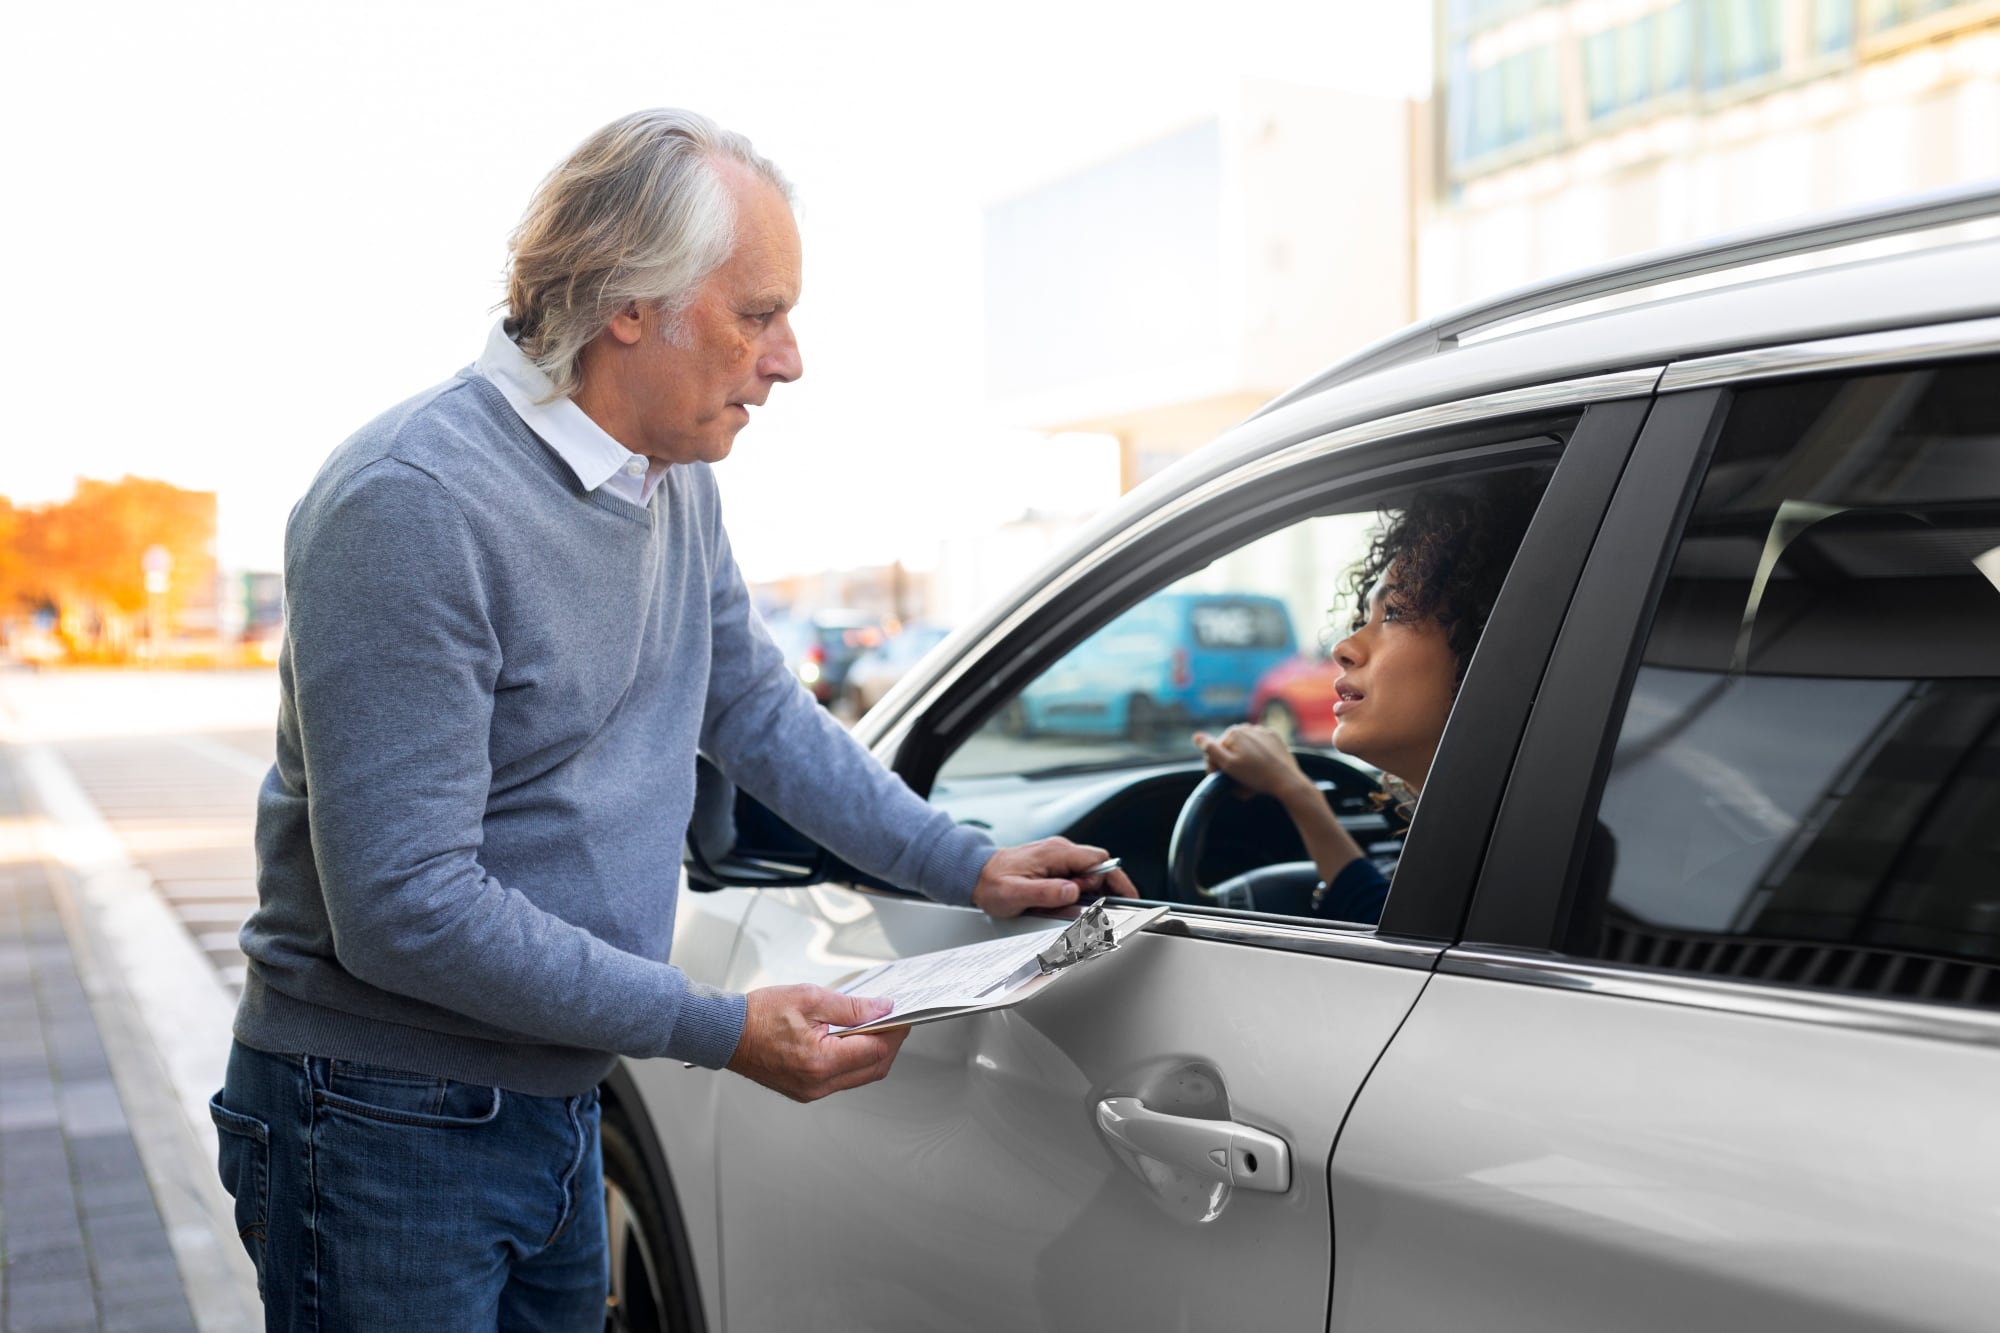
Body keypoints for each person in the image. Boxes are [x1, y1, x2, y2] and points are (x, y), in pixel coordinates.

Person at [209, 108, 1135, 1330]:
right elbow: (404, 908)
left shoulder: (669, 479)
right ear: (626, 304)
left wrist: (966, 861)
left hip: (551, 1096)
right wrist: (717, 1029)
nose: (789, 358)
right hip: (386, 1117)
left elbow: (752, 706)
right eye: (757, 313)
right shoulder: (413, 504)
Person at [1193, 475, 1542, 923]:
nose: (1344, 648)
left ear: (1484, 641)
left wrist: (1295, 791)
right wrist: (1296, 791)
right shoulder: (1514, 834)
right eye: (1365, 616)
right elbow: (1389, 914)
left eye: (1393, 613)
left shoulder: (1524, 852)